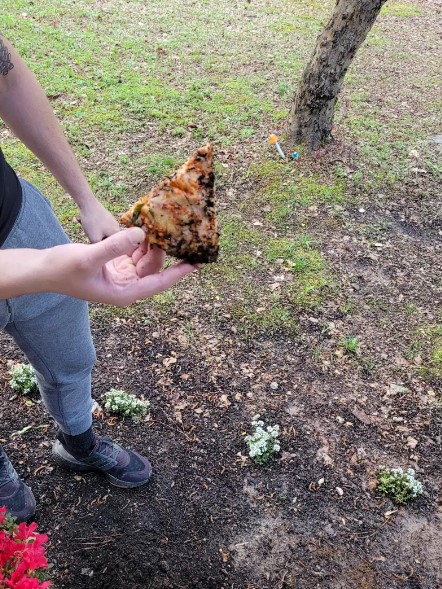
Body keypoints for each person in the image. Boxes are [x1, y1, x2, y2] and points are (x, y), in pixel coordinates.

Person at [0, 34, 196, 522]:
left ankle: (77, 441)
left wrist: (86, 199)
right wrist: (49, 268)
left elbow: (5, 75)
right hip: (36, 253)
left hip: (16, 218)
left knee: (71, 353)